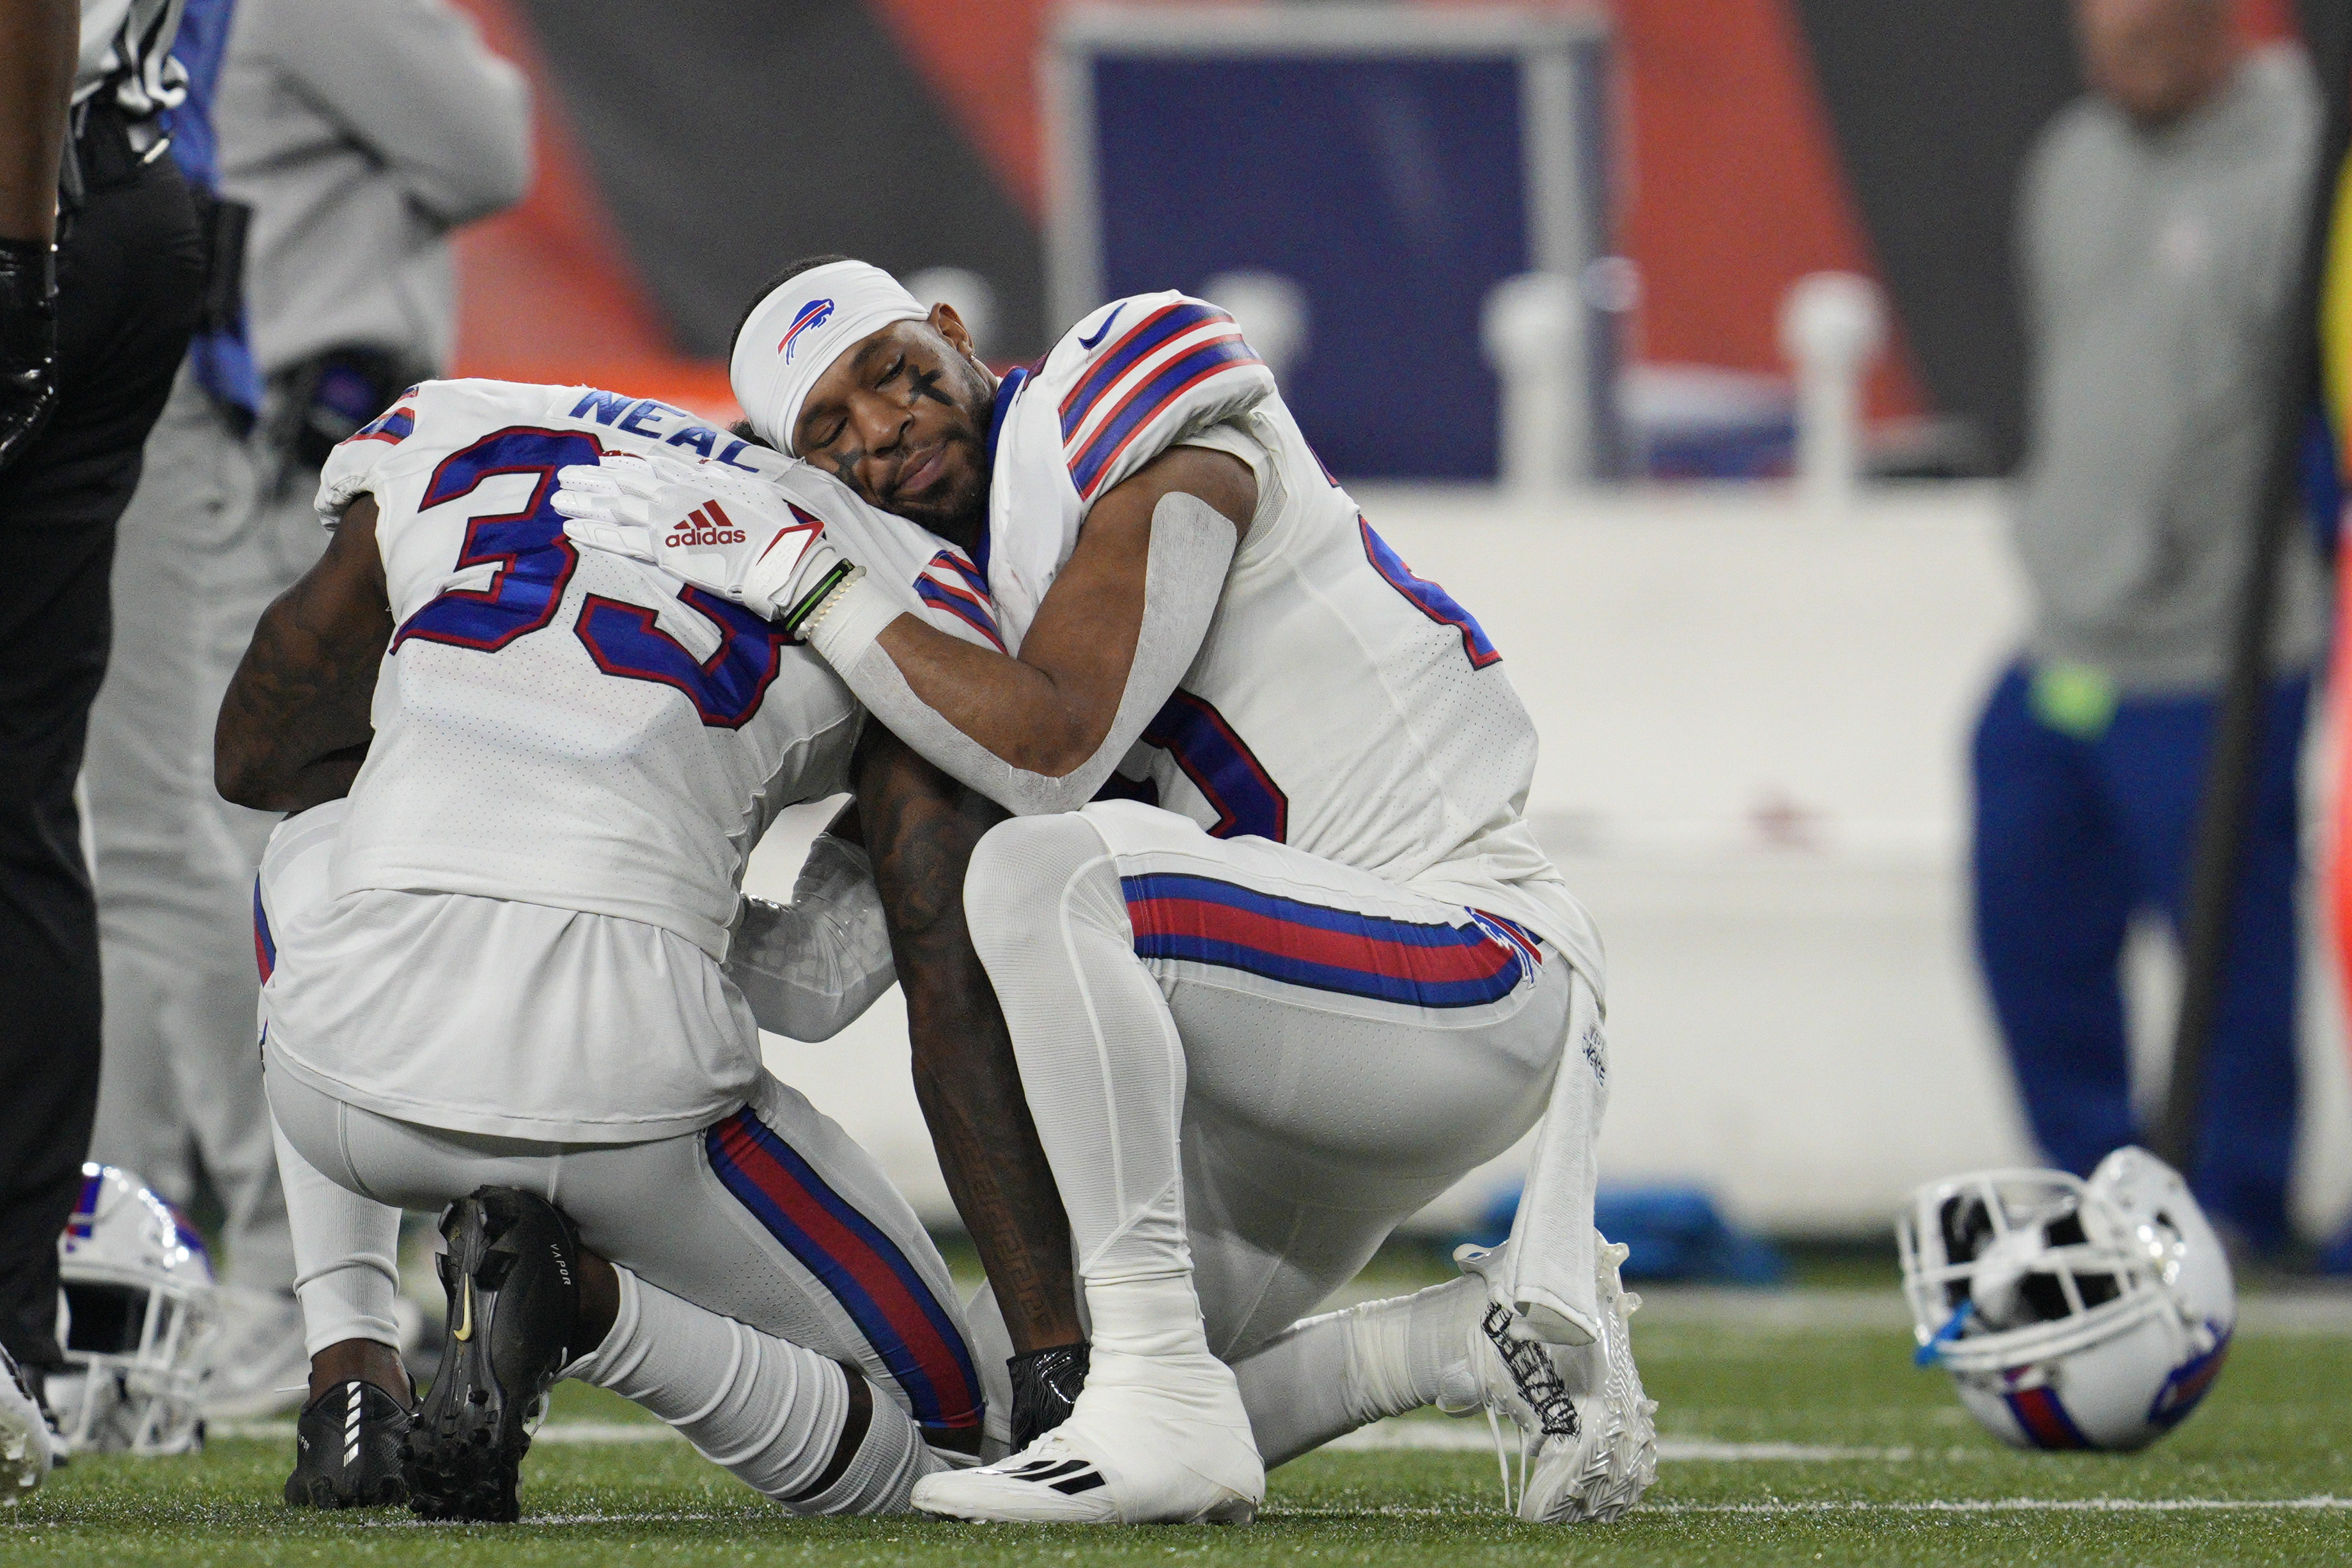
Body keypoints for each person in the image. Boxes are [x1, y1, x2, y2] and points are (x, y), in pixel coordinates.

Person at [554, 259, 1656, 1524]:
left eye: (893, 372)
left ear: (955, 336)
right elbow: (807, 983)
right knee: (973, 1431)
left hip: (1464, 963)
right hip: (1273, 1062)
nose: (886, 426)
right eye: (831, 430)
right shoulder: (939, 617)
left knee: (1040, 865)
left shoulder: (1112, 392)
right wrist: (565, 869)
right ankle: (1473, 1341)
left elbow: (1058, 744)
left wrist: (810, 585)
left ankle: (1154, 1390)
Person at [220, 378, 998, 1517]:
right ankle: (583, 1309)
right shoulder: (914, 582)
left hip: (340, 1084)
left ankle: (349, 1368)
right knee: (960, 1438)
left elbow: (250, 758)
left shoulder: (469, 425)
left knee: (311, 847)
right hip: (623, 1099)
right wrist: (633, 899)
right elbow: (824, 987)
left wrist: (462, 799)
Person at [79, 0, 529, 1418]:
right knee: (141, 854)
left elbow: (488, 151)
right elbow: (478, 142)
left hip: (258, 438)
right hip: (239, 423)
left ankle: (293, 1292)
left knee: (175, 847)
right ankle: (157, 1269)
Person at [1974, 0, 2323, 1257]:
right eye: (2100, 32)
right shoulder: (2070, 159)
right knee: (2023, 901)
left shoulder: (2300, 172)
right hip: (2069, 639)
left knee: (2229, 944)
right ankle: (2099, 1191)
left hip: (2220, 648)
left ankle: (2236, 1203)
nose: (2118, 52)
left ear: (2213, 26)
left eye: (2145, 31)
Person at [0, 0, 207, 1432]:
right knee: (18, 799)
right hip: (112, 181)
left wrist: (16, 256)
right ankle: (11, 1346)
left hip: (43, 199)